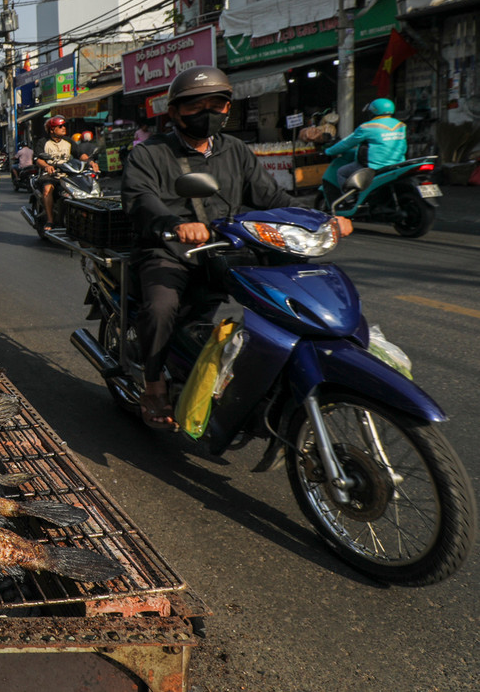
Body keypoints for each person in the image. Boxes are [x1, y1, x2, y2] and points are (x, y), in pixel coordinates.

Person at [121, 65, 351, 430]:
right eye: (196, 106)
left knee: (282, 295)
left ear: (227, 108)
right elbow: (141, 199)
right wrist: (176, 225)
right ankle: (154, 387)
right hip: (169, 250)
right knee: (161, 307)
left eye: (216, 104)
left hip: (227, 249)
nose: (207, 113)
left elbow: (271, 197)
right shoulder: (149, 154)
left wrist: (322, 219)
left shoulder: (236, 151)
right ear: (175, 112)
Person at [322, 98, 408, 198]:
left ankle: (349, 200)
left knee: (341, 172)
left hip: (374, 167)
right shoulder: (401, 125)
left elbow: (346, 143)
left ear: (373, 111)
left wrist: (328, 151)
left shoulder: (367, 127)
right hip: (398, 165)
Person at [34, 116, 96, 230]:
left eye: (64, 126)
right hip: (51, 174)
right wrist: (47, 166)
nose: (63, 128)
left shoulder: (68, 141)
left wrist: (90, 162)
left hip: (68, 173)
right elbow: (38, 159)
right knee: (47, 189)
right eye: (60, 126)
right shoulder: (43, 142)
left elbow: (80, 154)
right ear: (52, 129)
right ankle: (50, 220)